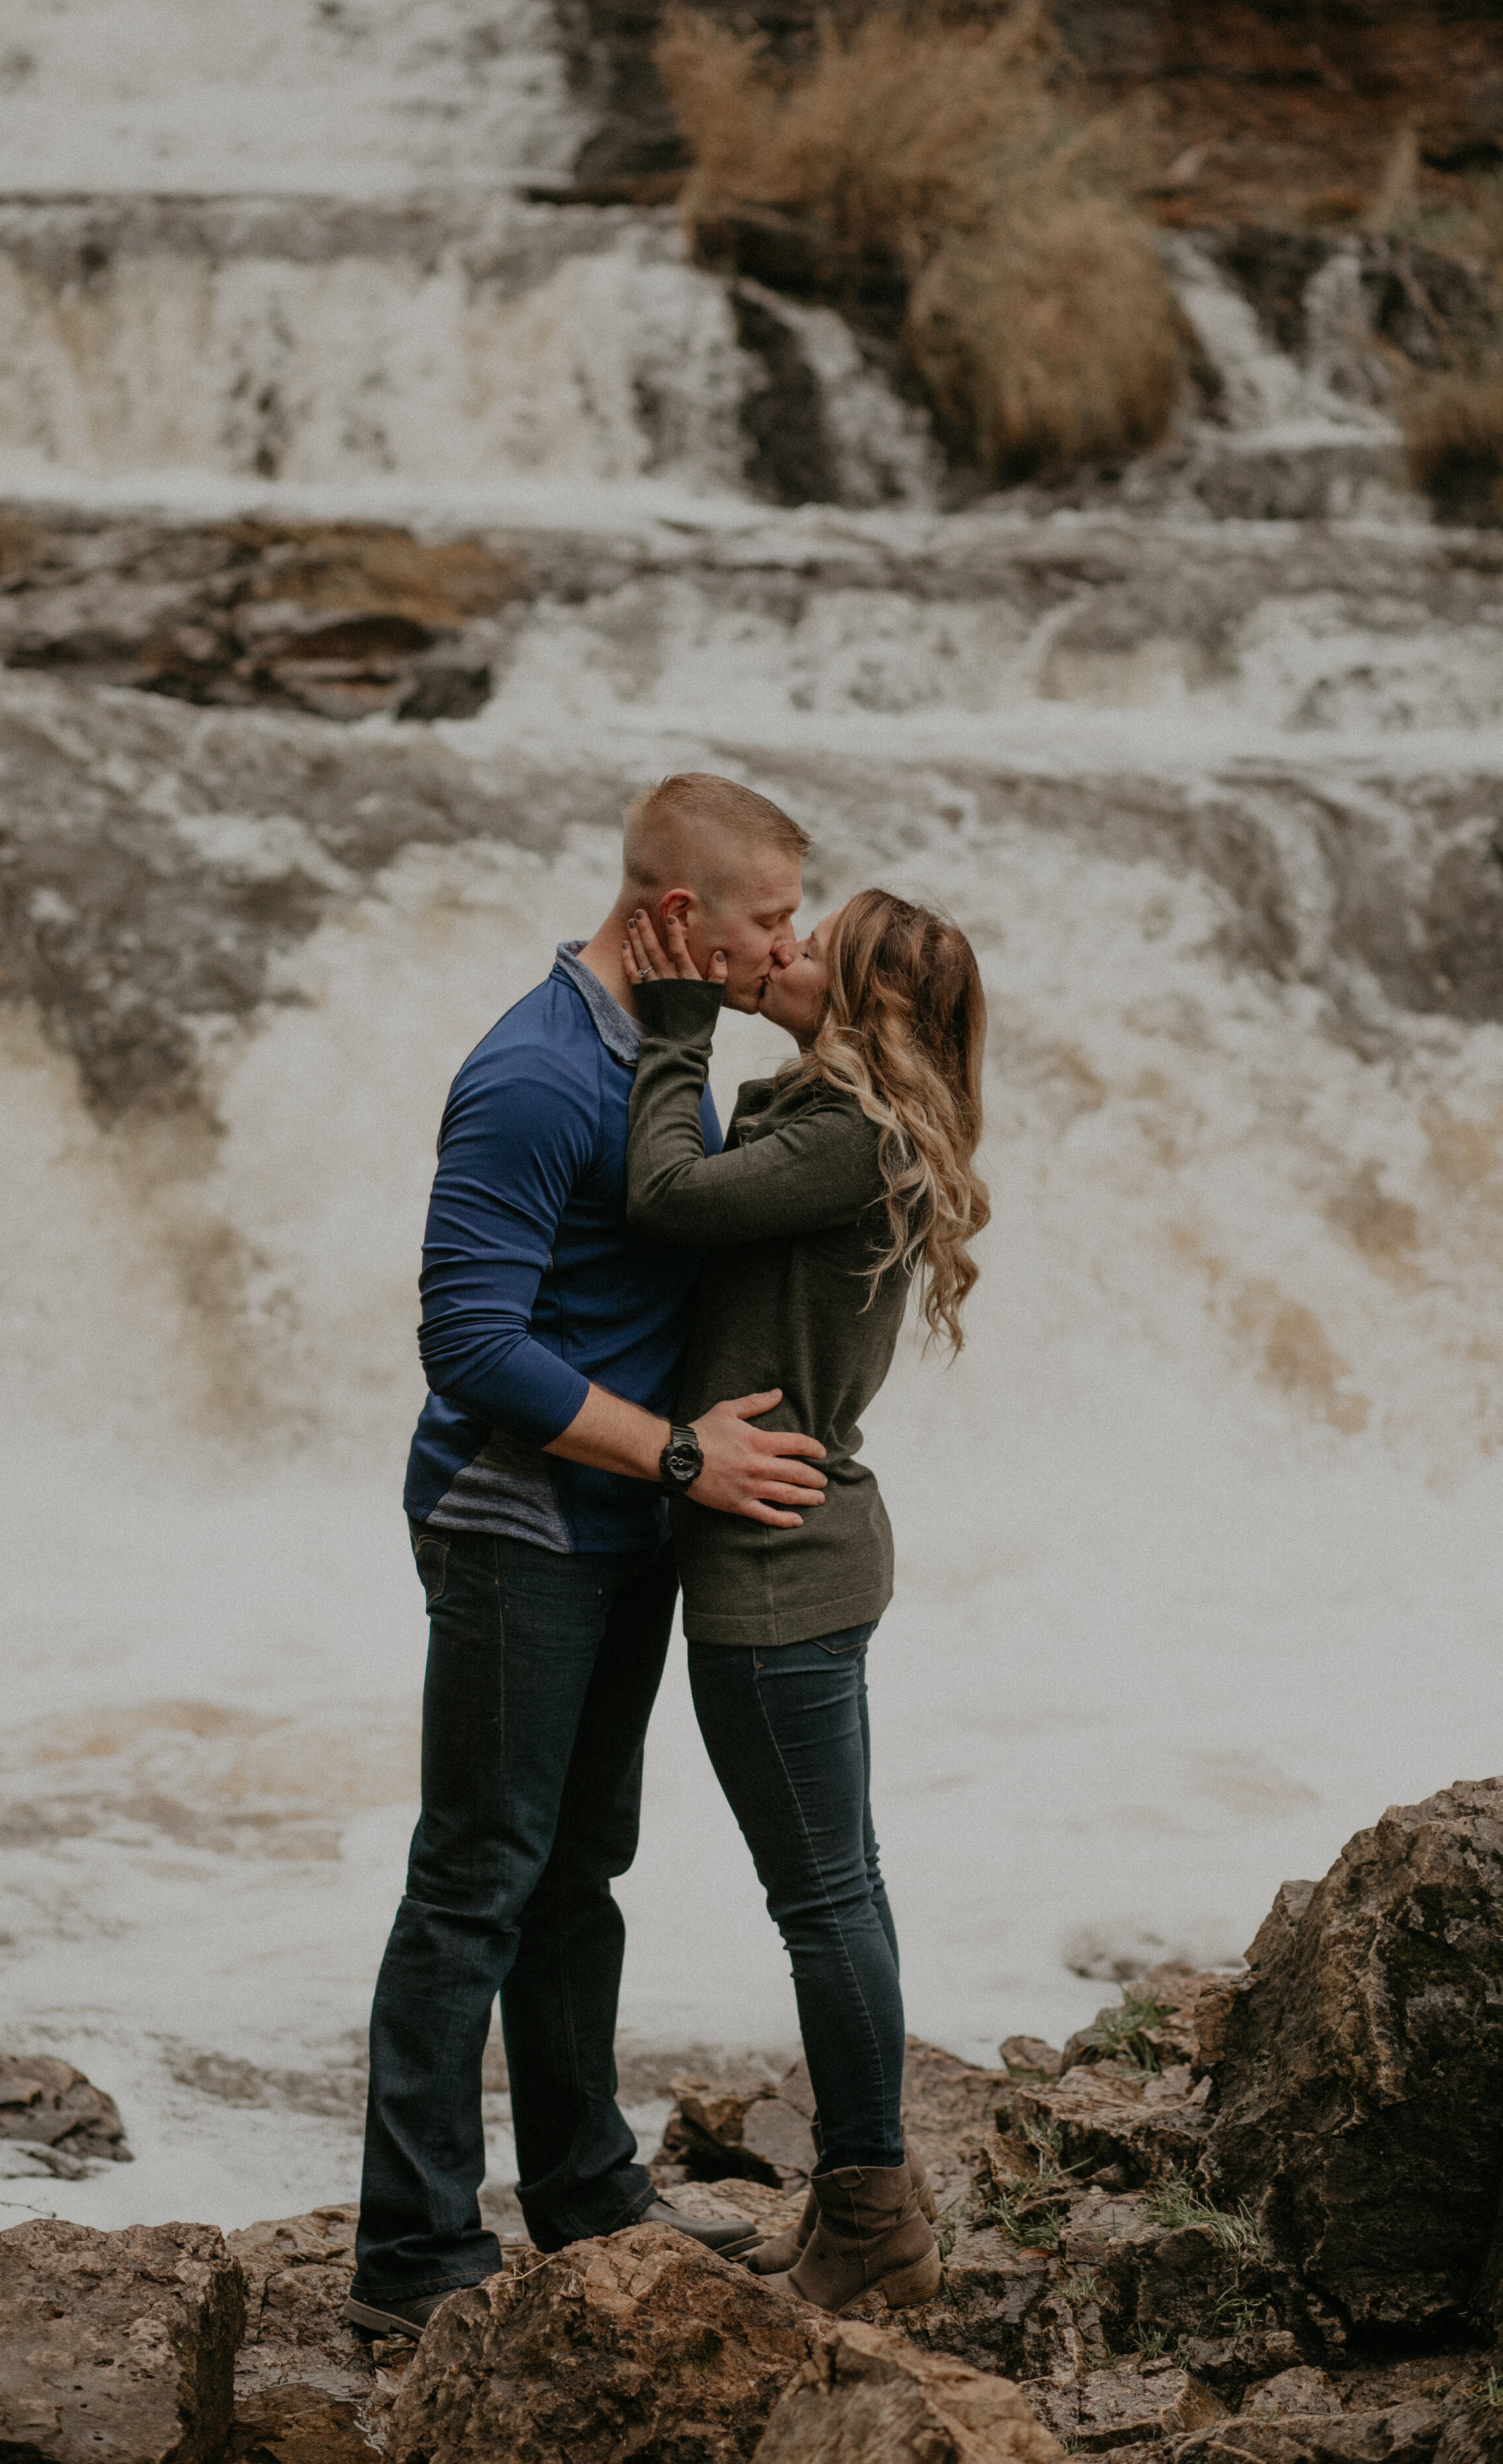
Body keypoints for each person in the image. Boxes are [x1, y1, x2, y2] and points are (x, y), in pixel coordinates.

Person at [345, 774, 835, 2340]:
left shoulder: (659, 1058)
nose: (791, 945)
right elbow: (468, 1343)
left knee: (576, 1871)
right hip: (514, 1530)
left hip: (613, 1527)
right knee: (474, 1879)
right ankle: (411, 2258)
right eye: (771, 919)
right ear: (678, 919)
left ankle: (581, 2191)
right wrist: (681, 1453)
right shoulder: (536, 1073)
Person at [619, 884, 989, 2314]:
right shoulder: (834, 1121)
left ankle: (870, 2220)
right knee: (837, 1894)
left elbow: (666, 1196)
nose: (783, 950)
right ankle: (869, 2204)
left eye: (810, 944)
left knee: (824, 1901)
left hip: (780, 1564)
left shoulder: (848, 1135)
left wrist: (673, 1029)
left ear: (863, 1000)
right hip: (802, 1547)